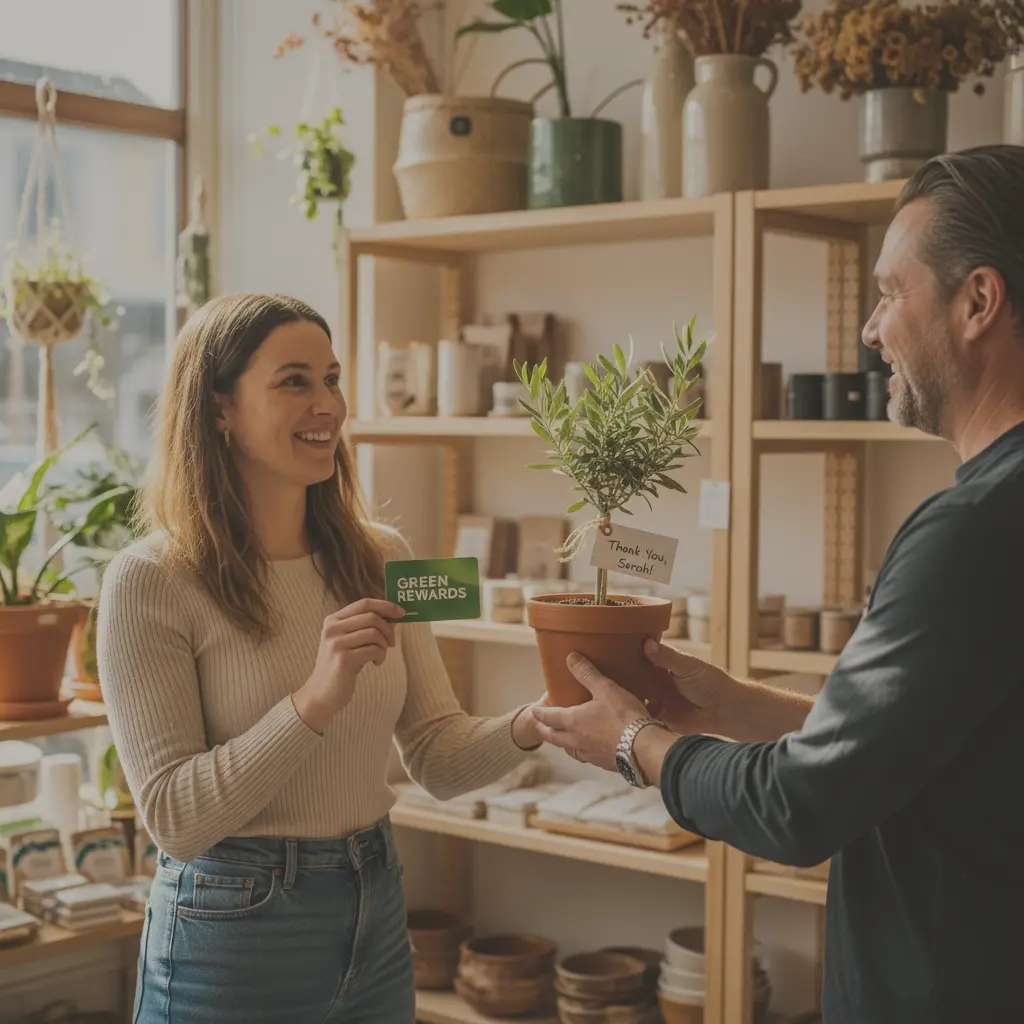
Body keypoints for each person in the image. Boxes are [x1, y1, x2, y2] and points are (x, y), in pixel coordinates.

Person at [530, 144, 1024, 1024]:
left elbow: (801, 807)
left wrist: (634, 743)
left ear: (978, 301)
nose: (871, 332)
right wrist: (732, 705)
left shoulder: (972, 533)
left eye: (888, 293)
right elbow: (913, 748)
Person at [96, 293, 545, 1024]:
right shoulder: (152, 580)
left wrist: (538, 721)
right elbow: (176, 818)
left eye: (332, 379)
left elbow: (435, 753)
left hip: (374, 904)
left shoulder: (379, 556)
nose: (326, 404)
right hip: (233, 928)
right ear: (218, 409)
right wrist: (314, 700)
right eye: (294, 381)